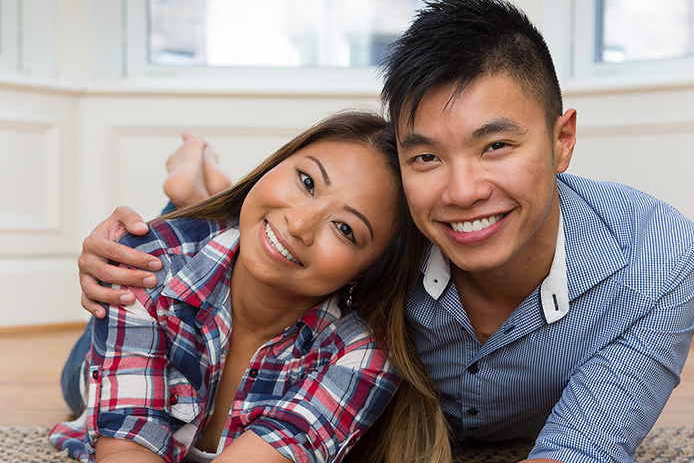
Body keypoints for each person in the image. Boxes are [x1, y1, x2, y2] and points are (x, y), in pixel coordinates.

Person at [75, 0, 694, 463]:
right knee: (88, 367)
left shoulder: (657, 264)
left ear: (562, 140)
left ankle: (204, 192)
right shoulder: (380, 239)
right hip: (211, 313)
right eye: (426, 157)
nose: (462, 193)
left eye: (495, 147)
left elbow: (584, 448)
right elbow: (287, 237)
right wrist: (133, 250)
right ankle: (194, 200)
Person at [51, 111, 439, 463]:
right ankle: (186, 189)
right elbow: (126, 446)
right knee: (76, 383)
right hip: (124, 335)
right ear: (276, 164)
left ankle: (193, 194)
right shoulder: (147, 265)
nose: (301, 225)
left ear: (365, 270)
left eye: (345, 229)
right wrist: (131, 250)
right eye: (307, 181)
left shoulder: (361, 351)